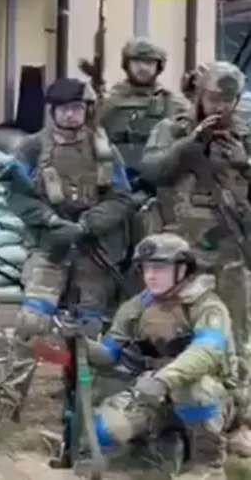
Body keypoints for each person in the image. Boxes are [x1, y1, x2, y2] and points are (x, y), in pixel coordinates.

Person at [0, 77, 137, 420]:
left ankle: (82, 405)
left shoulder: (103, 148)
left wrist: (87, 225)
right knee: (32, 323)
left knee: (88, 331)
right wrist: (51, 221)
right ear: (53, 111)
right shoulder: (32, 147)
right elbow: (15, 195)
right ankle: (7, 404)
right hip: (50, 248)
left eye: (76, 108)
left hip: (94, 253)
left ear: (86, 110)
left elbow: (122, 197)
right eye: (63, 109)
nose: (71, 115)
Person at [142, 60, 251, 453]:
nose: (219, 107)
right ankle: (167, 419)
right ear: (198, 94)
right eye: (213, 98)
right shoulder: (171, 129)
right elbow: (151, 171)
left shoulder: (245, 135)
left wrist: (244, 163)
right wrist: (190, 146)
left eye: (227, 100)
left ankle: (237, 420)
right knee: (168, 332)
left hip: (230, 253)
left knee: (235, 336)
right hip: (179, 255)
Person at [86, 233, 233, 478]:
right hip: (151, 392)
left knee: (192, 390)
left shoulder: (207, 306)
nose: (150, 275)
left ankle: (208, 464)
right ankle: (161, 447)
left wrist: (164, 379)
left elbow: (205, 352)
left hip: (209, 394)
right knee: (103, 430)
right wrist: (79, 343)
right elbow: (109, 354)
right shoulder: (136, 307)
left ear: (182, 269)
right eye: (146, 268)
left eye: (159, 268)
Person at [95, 39, 189, 181]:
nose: (143, 68)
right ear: (127, 65)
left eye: (149, 63)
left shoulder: (173, 102)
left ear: (159, 66)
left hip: (159, 178)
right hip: (116, 178)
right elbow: (91, 134)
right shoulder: (109, 101)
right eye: (136, 62)